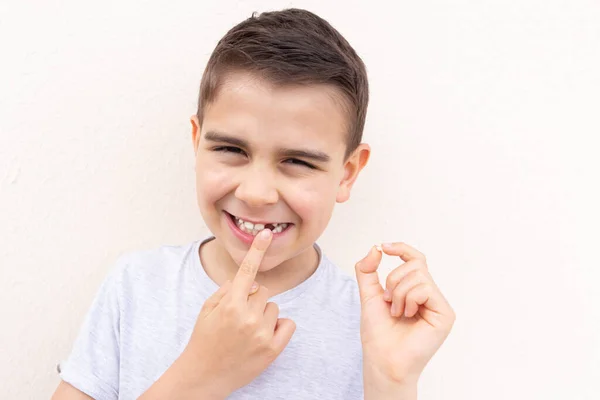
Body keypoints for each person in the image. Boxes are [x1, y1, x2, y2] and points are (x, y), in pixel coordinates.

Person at [52, 8, 455, 400]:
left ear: (347, 173)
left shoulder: (370, 326)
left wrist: (392, 383)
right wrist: (199, 377)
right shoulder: (137, 286)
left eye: (297, 161)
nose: (256, 193)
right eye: (231, 149)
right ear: (197, 141)